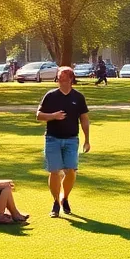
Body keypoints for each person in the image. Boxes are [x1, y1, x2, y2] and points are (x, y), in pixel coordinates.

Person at [37, 66, 92, 217]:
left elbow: (84, 119)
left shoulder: (78, 97)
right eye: (59, 77)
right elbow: (39, 115)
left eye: (63, 77)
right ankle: (55, 202)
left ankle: (65, 198)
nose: (60, 80)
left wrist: (87, 140)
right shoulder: (51, 96)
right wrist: (53, 116)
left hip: (71, 140)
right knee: (54, 172)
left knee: (71, 171)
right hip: (52, 139)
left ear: (70, 79)